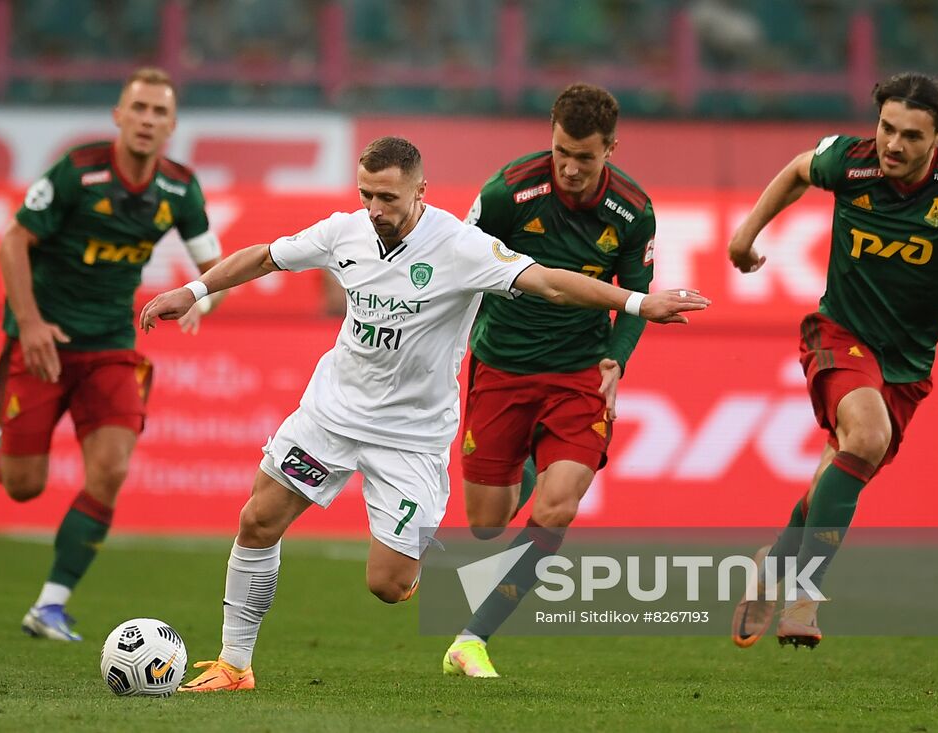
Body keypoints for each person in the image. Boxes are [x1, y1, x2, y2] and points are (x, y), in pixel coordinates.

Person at [138, 136, 708, 691]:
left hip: (410, 438)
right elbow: (265, 255)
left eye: (388, 197)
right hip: (331, 415)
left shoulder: (460, 246)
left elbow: (551, 284)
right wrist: (194, 289)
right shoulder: (345, 231)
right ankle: (235, 664)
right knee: (258, 519)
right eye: (367, 194)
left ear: (421, 192)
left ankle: (413, 555)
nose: (375, 209)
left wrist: (636, 302)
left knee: (388, 585)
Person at [727, 72, 938, 648]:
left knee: (840, 468)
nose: (893, 145)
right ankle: (804, 598)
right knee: (866, 437)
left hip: (907, 363)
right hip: (839, 332)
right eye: (887, 128)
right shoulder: (851, 161)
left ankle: (774, 563)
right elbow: (798, 169)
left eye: (912, 136)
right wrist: (743, 238)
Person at [0, 67, 224, 641]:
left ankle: (50, 605)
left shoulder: (181, 189)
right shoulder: (78, 171)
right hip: (45, 342)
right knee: (23, 485)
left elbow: (214, 269)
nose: (147, 120)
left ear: (172, 126)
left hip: (112, 342)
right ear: (119, 116)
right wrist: (31, 324)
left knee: (110, 470)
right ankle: (0, 446)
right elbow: (14, 240)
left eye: (159, 112)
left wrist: (199, 303)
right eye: (138, 108)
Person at [442, 83, 658, 678]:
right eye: (562, 150)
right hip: (502, 366)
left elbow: (633, 301)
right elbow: (461, 266)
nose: (570, 166)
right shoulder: (508, 192)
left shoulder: (634, 213)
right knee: (487, 525)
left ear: (610, 149)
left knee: (557, 508)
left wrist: (615, 359)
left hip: (578, 373)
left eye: (585, 156)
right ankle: (529, 459)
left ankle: (472, 638)